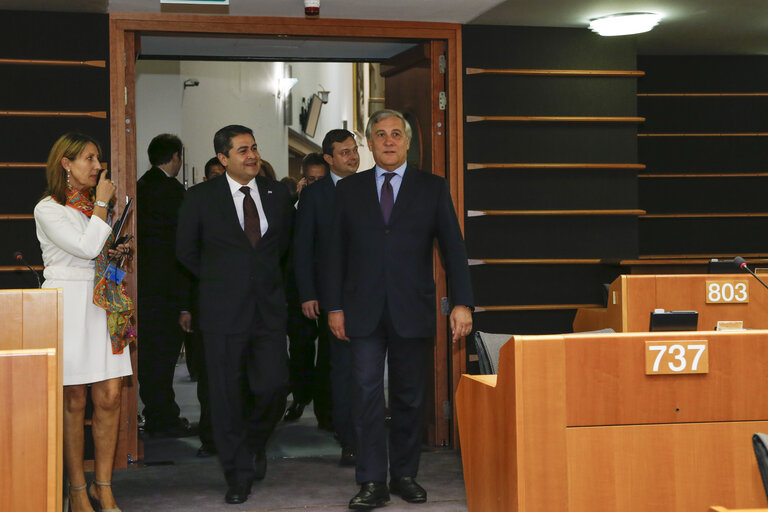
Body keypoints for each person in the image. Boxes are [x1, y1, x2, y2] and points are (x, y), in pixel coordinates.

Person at [326, 110, 474, 510]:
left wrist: (462, 302)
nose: (388, 141)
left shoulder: (432, 187)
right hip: (362, 311)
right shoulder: (349, 190)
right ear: (370, 144)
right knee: (367, 394)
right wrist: (334, 307)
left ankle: (405, 474)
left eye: (396, 135)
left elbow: (454, 250)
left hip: (413, 308)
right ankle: (372, 480)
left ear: (408, 143)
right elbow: (334, 254)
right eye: (380, 135)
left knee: (409, 397)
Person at [176, 124, 294, 505]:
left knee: (275, 385)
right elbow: (185, 252)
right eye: (243, 150)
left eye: (254, 148)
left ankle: (254, 442)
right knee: (226, 397)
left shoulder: (278, 195)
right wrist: (223, 279)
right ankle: (238, 474)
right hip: (222, 312)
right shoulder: (200, 198)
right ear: (223, 159)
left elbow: (284, 248)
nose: (252, 156)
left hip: (269, 311)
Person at [34, 132, 135, 512]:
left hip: (103, 304)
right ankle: (77, 490)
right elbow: (86, 247)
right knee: (73, 399)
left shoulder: (94, 207)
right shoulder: (48, 208)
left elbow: (97, 252)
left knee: (109, 396)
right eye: (90, 159)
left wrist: (117, 252)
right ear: (66, 164)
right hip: (68, 304)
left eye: (98, 159)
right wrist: (104, 206)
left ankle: (103, 485)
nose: (98, 167)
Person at [293, 129, 359, 466]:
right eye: (344, 153)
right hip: (331, 295)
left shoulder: (369, 187)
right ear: (329, 159)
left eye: (354, 150)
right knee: (340, 367)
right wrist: (308, 293)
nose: (352, 157)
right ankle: (347, 436)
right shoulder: (316, 195)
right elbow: (302, 248)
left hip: (369, 292)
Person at [136, 133, 195, 438]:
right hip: (171, 286)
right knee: (166, 356)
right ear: (175, 157)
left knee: (149, 356)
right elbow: (185, 246)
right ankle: (164, 418)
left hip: (143, 285)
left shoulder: (139, 188)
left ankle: (156, 412)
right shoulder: (176, 193)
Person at [283, 152, 332, 428]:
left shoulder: (338, 204)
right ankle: (300, 397)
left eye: (320, 180)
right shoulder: (291, 209)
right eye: (310, 180)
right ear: (302, 180)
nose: (314, 185)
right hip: (297, 291)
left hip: (329, 292)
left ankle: (326, 411)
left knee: (328, 353)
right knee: (300, 349)